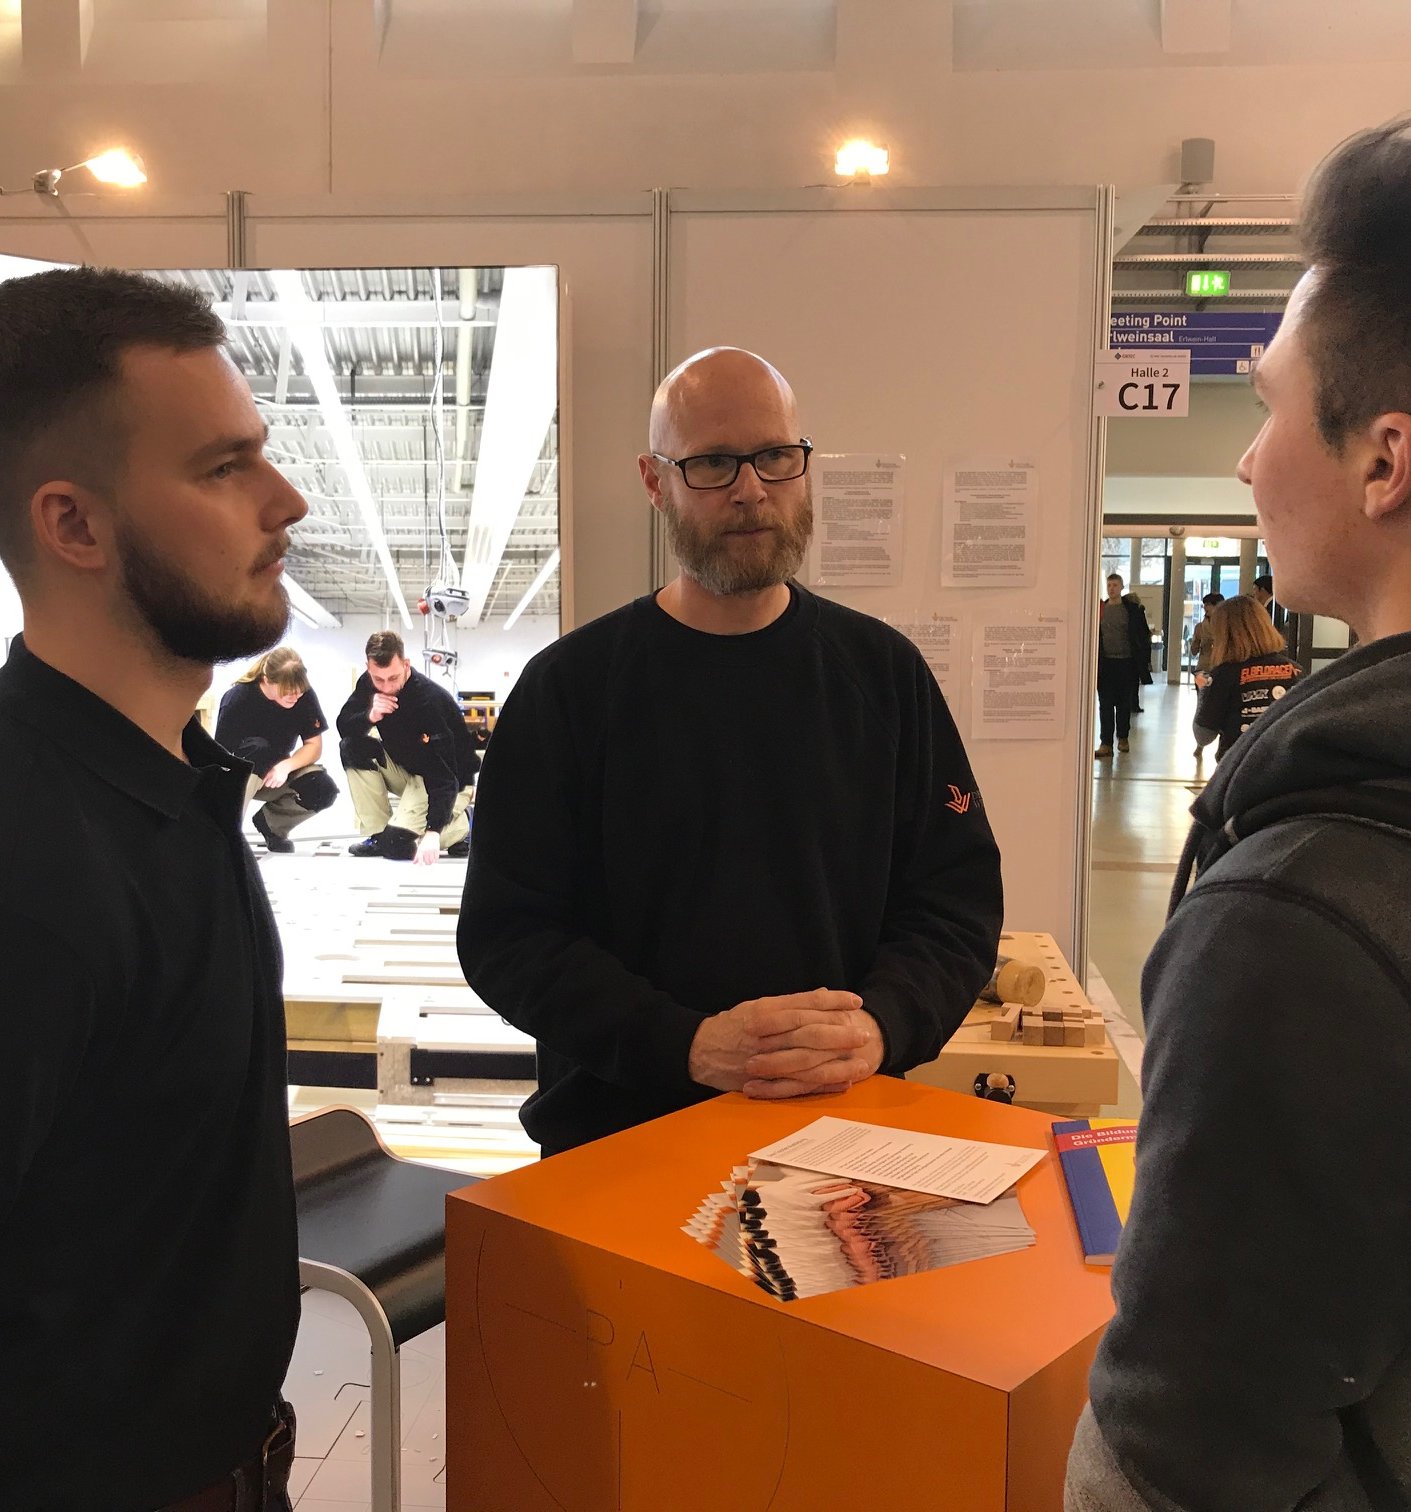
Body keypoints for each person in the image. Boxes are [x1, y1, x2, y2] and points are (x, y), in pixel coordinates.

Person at [1068, 119, 1411, 1511]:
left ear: (1384, 457)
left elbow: (1179, 1457)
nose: (1246, 461)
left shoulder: (1295, 921)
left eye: (1265, 404)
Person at [458, 346, 1003, 1156]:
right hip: (617, 1146)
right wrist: (685, 1044)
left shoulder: (881, 674)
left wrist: (882, 1026)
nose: (751, 490)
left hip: (840, 1134)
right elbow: (509, 937)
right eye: (713, 462)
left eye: (776, 458)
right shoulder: (569, 689)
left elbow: (953, 902)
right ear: (654, 480)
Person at [0, 268, 302, 1508]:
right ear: (75, 527)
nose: (286, 501)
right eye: (225, 468)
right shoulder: (27, 853)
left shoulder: (176, 780)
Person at [337, 629, 478, 863]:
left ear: (406, 664)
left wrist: (433, 831)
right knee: (352, 747)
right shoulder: (368, 683)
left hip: (450, 780)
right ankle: (378, 833)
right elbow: (344, 726)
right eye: (378, 678)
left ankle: (462, 826)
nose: (385, 686)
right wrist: (370, 715)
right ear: (368, 667)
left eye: (393, 678)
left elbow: (445, 774)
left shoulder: (429, 701)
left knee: (397, 846)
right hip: (408, 771)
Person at [215, 646, 338, 852]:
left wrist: (286, 766)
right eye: (288, 692)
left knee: (322, 788)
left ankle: (271, 825)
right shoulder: (237, 699)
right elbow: (220, 758)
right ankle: (228, 833)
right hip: (242, 776)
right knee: (257, 749)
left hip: (277, 774)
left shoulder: (303, 697)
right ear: (266, 680)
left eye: (298, 692)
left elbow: (314, 746)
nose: (294, 697)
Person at [1191, 595, 1300, 761]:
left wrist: (1205, 690)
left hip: (1239, 765)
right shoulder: (1295, 670)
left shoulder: (1224, 675)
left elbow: (1203, 735)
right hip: (1285, 765)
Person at [1095, 573, 1151, 757]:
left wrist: (1143, 661)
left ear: (1121, 587)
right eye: (1109, 585)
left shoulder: (1132, 610)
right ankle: (1106, 743)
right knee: (1105, 704)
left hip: (1127, 663)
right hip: (1106, 665)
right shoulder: (1099, 609)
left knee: (1124, 704)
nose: (1111, 588)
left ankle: (1123, 737)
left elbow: (1142, 636)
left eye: (1115, 585)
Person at [1185, 590, 1223, 680]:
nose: (1205, 607)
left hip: (1220, 669)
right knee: (1202, 693)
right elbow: (1194, 652)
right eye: (1204, 605)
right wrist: (1196, 641)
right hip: (1203, 668)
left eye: (1209, 604)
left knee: (1217, 693)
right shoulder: (1200, 627)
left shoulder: (1226, 627)